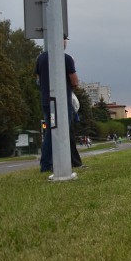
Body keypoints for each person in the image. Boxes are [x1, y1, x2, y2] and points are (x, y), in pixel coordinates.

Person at [35, 37, 83, 173]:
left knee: (51, 130)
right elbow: (74, 82)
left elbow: (38, 80)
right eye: (64, 40)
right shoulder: (66, 59)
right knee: (60, 132)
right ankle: (49, 164)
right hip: (62, 102)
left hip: (47, 101)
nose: (65, 42)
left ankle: (49, 163)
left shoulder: (40, 59)